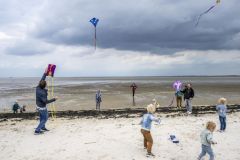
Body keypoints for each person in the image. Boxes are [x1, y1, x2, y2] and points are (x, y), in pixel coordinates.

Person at [35, 68, 57, 135]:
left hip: (38, 105)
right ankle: (37, 130)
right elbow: (45, 101)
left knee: (42, 117)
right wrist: (54, 99)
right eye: (46, 84)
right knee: (45, 118)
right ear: (44, 86)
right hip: (42, 107)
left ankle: (43, 127)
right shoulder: (42, 93)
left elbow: (42, 79)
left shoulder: (38, 87)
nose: (46, 84)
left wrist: (45, 73)